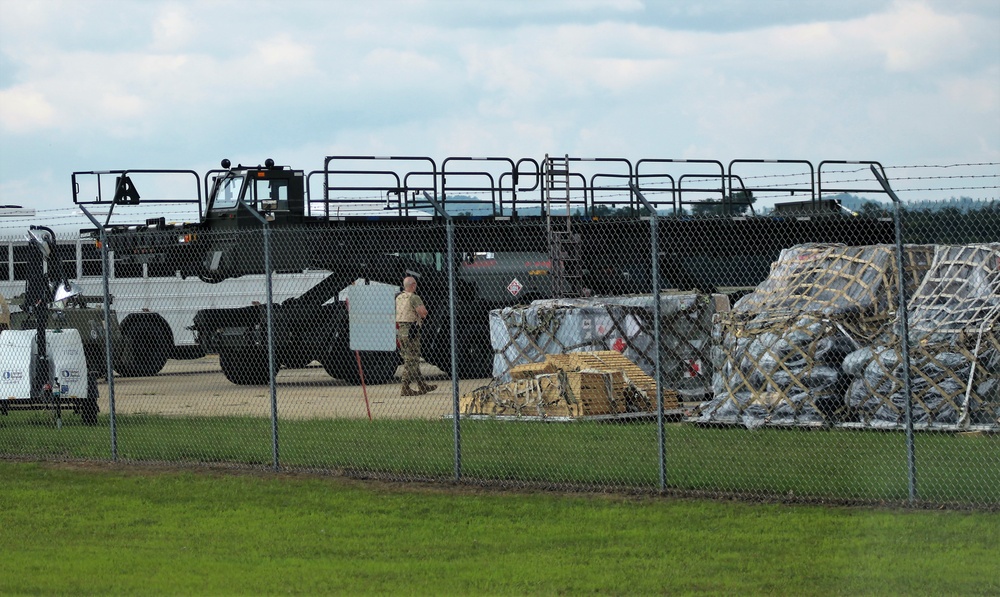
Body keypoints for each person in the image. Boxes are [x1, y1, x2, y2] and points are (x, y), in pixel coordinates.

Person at [395, 276, 437, 396]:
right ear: (413, 285)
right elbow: (423, 313)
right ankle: (405, 387)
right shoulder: (414, 298)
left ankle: (422, 384)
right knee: (412, 360)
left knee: (410, 358)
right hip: (411, 332)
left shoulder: (399, 297)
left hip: (401, 332)